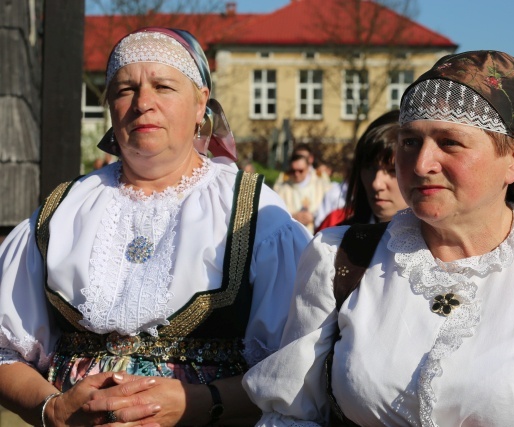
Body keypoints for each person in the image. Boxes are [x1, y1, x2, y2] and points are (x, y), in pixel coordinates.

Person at [243, 51, 514, 425]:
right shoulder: (341, 257)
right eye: (410, 141)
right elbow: (292, 413)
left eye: (449, 142)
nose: (421, 163)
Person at [0, 27, 310, 427]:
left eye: (163, 86)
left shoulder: (253, 211)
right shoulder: (62, 209)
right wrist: (52, 409)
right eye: (125, 89)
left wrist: (202, 402)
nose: (143, 104)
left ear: (201, 104)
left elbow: (296, 367)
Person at [315, 110, 408, 232]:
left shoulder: (438, 247)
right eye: (369, 167)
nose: (376, 184)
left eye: (392, 170)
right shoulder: (336, 243)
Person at [276, 151, 332, 232]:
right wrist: (292, 216)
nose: (296, 174)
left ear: (308, 167)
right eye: (293, 171)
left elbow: (330, 208)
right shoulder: (283, 189)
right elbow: (276, 214)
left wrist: (314, 216)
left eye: (300, 170)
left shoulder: (321, 185)